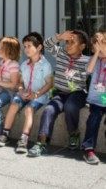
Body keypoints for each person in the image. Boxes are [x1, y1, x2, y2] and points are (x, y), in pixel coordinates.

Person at [28, 30, 89, 157]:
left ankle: (73, 133)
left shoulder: (87, 61)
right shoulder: (61, 54)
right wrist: (59, 37)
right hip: (61, 93)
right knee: (48, 110)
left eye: (72, 42)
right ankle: (41, 142)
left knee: (70, 106)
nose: (68, 45)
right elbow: (47, 45)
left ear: (82, 46)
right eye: (67, 42)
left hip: (77, 93)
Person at [0, 32, 53, 154]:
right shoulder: (24, 65)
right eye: (24, 46)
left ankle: (23, 139)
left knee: (28, 109)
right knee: (14, 104)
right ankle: (5, 134)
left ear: (39, 47)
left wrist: (36, 94)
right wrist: (21, 90)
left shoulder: (45, 65)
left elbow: (49, 84)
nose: (26, 49)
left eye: (29, 46)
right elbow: (20, 83)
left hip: (39, 96)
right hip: (25, 94)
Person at [81, 31, 106, 164]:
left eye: (102, 46)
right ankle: (88, 149)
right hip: (97, 100)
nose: (99, 49)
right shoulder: (95, 61)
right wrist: (96, 53)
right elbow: (88, 70)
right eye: (96, 47)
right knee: (94, 118)